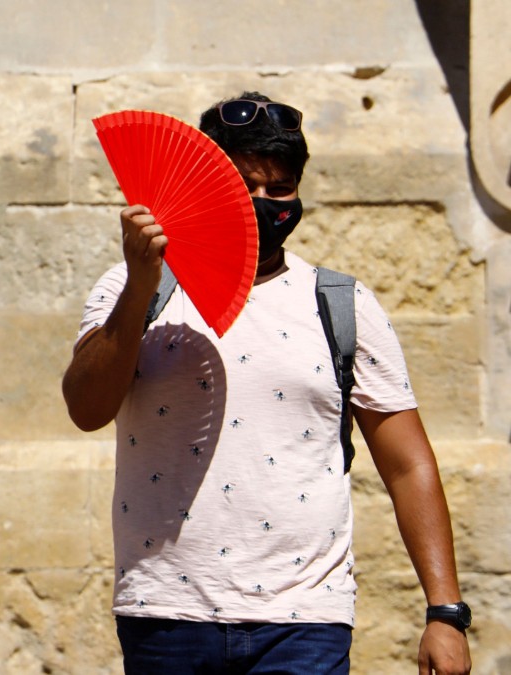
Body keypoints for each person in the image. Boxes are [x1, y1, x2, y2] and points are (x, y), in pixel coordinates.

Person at [62, 92, 472, 674]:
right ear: (201, 187)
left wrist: (445, 612)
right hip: (166, 614)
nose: (261, 202)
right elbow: (85, 407)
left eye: (280, 189)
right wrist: (139, 285)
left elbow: (407, 465)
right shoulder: (132, 289)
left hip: (306, 621)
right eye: (242, 185)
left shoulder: (341, 303)